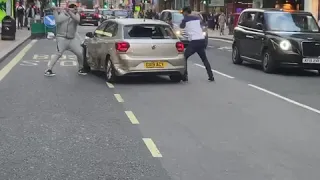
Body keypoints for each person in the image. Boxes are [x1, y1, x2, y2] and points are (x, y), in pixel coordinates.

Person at [44, 4, 86, 76]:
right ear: (70, 8)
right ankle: (48, 69)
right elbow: (57, 21)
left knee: (79, 53)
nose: (75, 10)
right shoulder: (62, 14)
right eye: (74, 9)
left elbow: (77, 20)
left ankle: (81, 68)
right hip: (62, 38)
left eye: (76, 9)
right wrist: (54, 10)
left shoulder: (76, 15)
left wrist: (71, 12)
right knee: (58, 54)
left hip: (72, 39)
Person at [180, 6, 214, 82]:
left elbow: (181, 26)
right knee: (204, 59)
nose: (182, 14)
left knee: (184, 57)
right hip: (201, 40)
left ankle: (184, 76)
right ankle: (211, 76)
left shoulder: (185, 19)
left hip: (194, 42)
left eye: (183, 12)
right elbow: (202, 25)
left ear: (186, 12)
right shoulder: (197, 18)